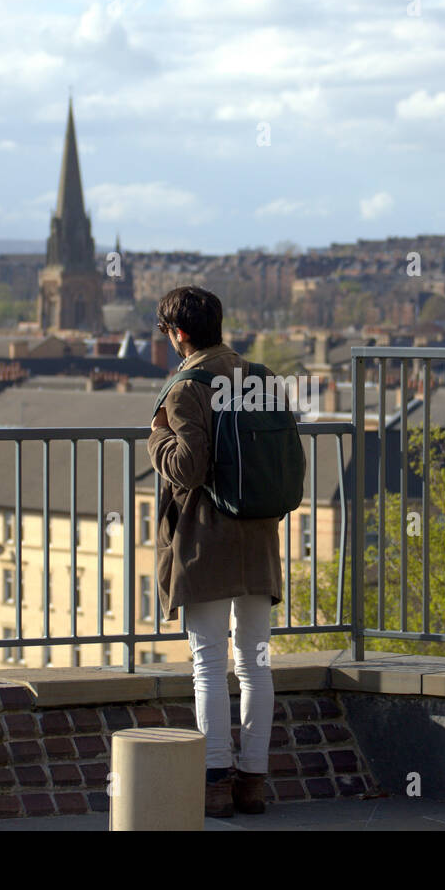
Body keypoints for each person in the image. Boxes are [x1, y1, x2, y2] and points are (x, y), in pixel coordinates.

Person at [147, 286, 283, 818]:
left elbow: (188, 468)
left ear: (178, 334)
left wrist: (155, 438)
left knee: (208, 663)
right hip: (261, 536)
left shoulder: (185, 389)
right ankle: (252, 782)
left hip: (207, 541)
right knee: (255, 663)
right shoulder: (257, 377)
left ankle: (213, 782)